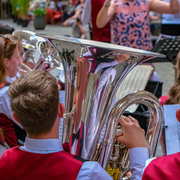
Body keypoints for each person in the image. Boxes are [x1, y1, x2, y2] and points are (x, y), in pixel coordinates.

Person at [0, 70, 112, 179]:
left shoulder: (4, 160)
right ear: (61, 110)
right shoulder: (89, 172)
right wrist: (131, 147)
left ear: (16, 118)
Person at [96, 0, 179, 51]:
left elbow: (174, 10)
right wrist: (107, 3)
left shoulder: (145, 2)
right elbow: (100, 24)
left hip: (143, 54)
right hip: (122, 55)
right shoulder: (115, 4)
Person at [0, 34, 24, 154]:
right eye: (17, 57)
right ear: (6, 62)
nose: (20, 61)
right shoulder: (5, 94)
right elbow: (29, 124)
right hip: (11, 153)